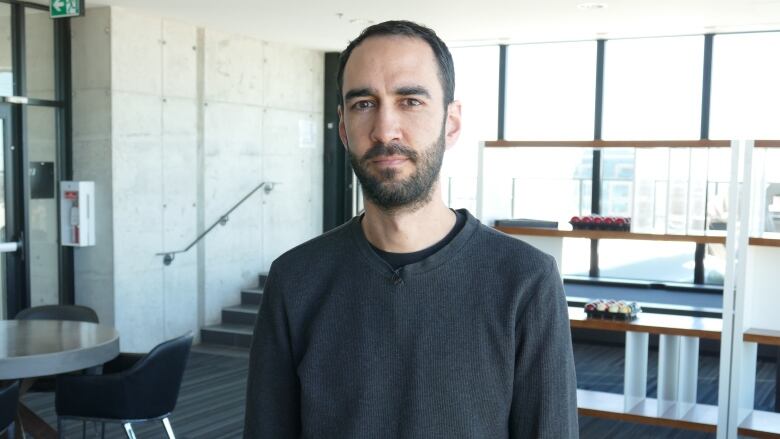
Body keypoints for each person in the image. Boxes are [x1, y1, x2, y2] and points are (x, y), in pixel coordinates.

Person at [244, 20, 578, 439]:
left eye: (410, 101)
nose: (385, 130)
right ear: (344, 128)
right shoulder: (295, 280)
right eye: (364, 103)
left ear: (451, 123)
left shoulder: (525, 281)